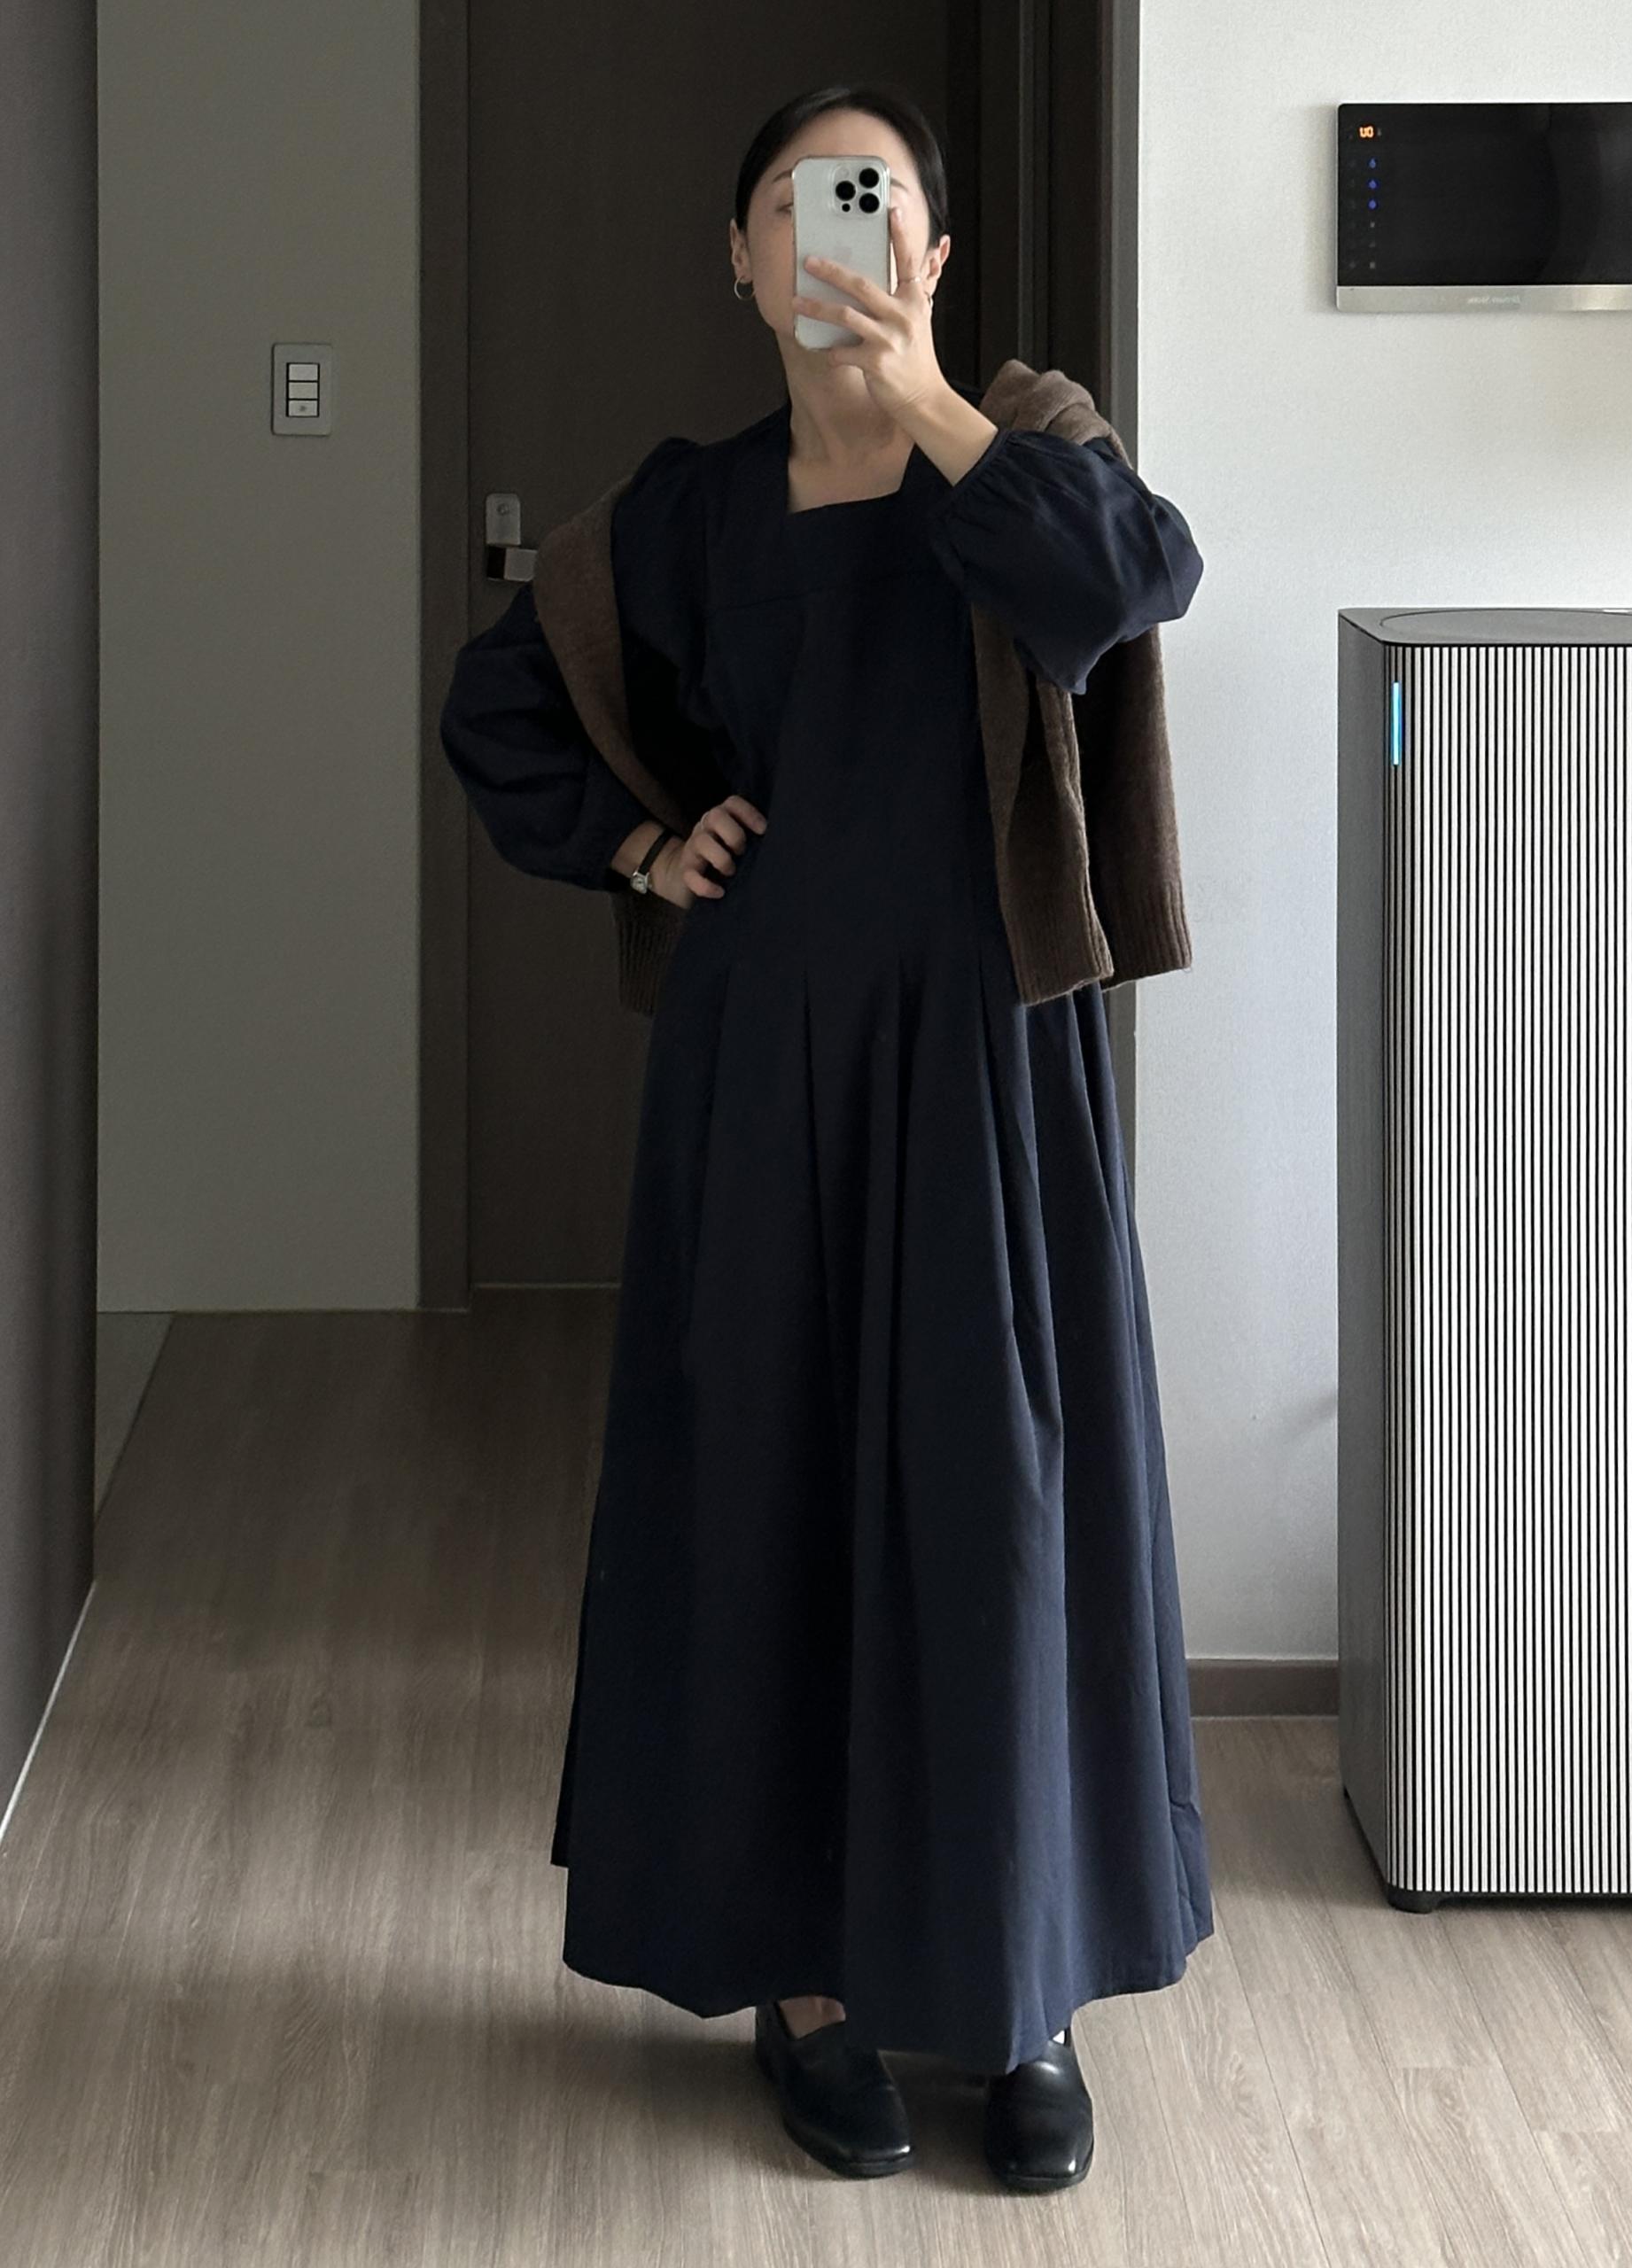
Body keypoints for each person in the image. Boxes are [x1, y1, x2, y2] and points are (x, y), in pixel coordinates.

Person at [439, 80, 1214, 2193]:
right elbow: (501, 698)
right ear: (739, 258)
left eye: (867, 205)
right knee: (768, 1499)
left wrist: (930, 401)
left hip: (992, 1076)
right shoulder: (691, 511)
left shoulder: (1023, 444)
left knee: (1000, 1510)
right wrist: (640, 842)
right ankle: (806, 1991)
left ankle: (1020, 1992)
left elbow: (1134, 581)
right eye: (793, 204)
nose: (829, 237)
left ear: (930, 253)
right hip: (762, 1061)